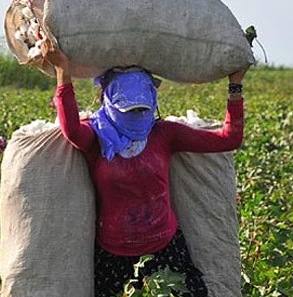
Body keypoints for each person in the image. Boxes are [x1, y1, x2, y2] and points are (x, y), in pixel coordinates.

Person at [46, 47, 246, 297]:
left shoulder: (164, 134)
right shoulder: (98, 136)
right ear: (108, 102)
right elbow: (72, 131)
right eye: (129, 110)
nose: (138, 116)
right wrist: (62, 71)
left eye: (142, 109)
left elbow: (229, 139)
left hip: (165, 247)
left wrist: (235, 85)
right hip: (113, 255)